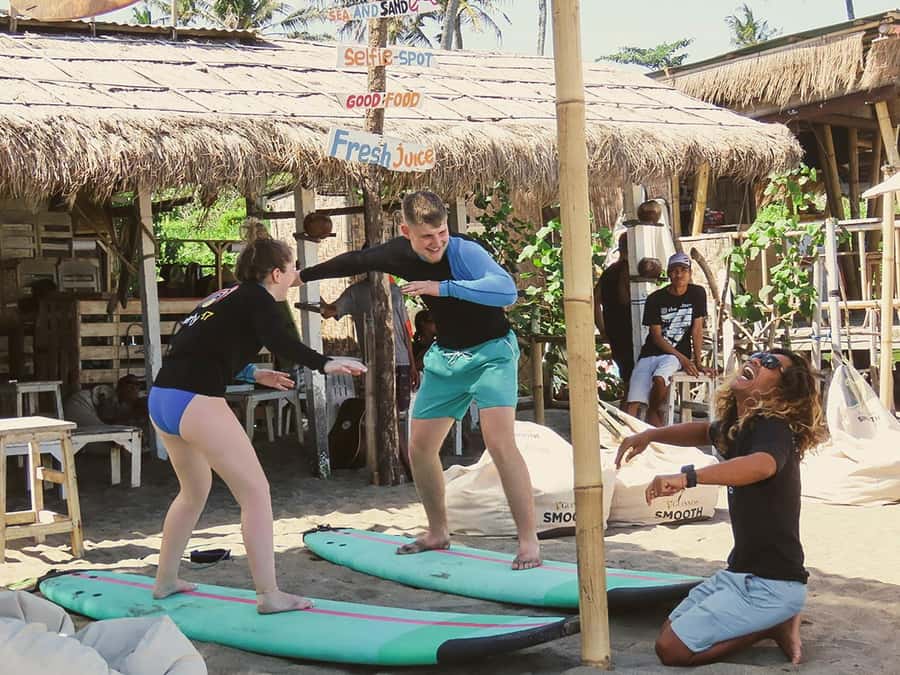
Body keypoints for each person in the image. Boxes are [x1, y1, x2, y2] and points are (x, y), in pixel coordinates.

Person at [299, 190, 541, 569]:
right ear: (406, 232)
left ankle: (528, 543)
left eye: (442, 232)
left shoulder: (464, 252)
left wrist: (440, 288)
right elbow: (354, 260)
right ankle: (437, 531)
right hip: (446, 358)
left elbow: (506, 291)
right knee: (420, 448)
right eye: (427, 237)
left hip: (492, 353)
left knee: (499, 442)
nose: (436, 243)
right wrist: (301, 276)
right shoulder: (396, 253)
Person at [148, 233, 366, 613]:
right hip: (196, 401)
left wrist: (251, 372)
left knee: (193, 492)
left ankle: (166, 580)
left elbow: (193, 346)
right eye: (292, 267)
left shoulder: (223, 296)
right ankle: (269, 595)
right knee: (256, 494)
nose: (296, 274)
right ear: (275, 273)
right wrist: (324, 363)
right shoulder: (259, 298)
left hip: (163, 399)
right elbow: (281, 340)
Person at [615, 349, 827, 666]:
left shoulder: (773, 427)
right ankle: (775, 621)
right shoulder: (739, 426)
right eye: (758, 355)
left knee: (672, 650)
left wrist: (688, 477)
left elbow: (762, 465)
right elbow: (702, 431)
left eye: (771, 364)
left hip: (771, 585)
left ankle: (772, 625)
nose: (756, 361)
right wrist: (650, 434)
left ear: (783, 392)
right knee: (670, 630)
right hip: (739, 573)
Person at [319, 278, 419, 478]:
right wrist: (310, 288)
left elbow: (405, 331)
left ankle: (403, 462)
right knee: (384, 412)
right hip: (374, 363)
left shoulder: (395, 291)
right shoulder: (355, 293)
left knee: (397, 413)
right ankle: (405, 464)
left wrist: (413, 363)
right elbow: (329, 311)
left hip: (400, 360)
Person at [625, 251, 707, 426]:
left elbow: (697, 329)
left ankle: (654, 415)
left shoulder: (697, 293)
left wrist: (697, 361)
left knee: (660, 378)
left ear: (690, 273)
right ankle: (628, 433)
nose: (679, 274)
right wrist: (685, 360)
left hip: (674, 355)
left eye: (683, 270)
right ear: (669, 274)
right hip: (651, 352)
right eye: (675, 270)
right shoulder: (655, 299)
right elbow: (656, 336)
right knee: (633, 401)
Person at [594, 232, 633, 387]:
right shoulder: (627, 270)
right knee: (634, 381)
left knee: (628, 379)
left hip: (614, 331)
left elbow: (594, 302)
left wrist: (603, 329)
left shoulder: (609, 271)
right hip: (628, 331)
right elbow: (624, 299)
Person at [412, 309, 437, 373]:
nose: (436, 324)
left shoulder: (437, 345)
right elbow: (417, 365)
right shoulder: (413, 347)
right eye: (432, 321)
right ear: (422, 323)